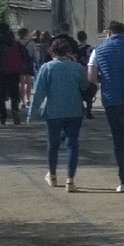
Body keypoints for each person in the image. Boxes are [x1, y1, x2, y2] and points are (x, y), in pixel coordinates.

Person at [88, 22, 124, 192]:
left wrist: (105, 79)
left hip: (113, 99)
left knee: (120, 139)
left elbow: (91, 76)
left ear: (109, 32)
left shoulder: (98, 50)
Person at [29, 34, 89, 191]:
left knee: (53, 144)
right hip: (74, 110)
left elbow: (39, 92)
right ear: (69, 51)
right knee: (72, 145)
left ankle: (53, 176)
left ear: (51, 52)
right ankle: (70, 180)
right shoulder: (77, 67)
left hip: (53, 111)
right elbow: (84, 86)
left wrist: (32, 112)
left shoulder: (47, 68)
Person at [0, 21, 29, 125]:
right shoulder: (15, 43)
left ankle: (2, 117)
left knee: (1, 94)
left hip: (0, 71)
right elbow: (25, 55)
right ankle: (15, 110)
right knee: (14, 92)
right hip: (15, 71)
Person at [75, 31, 96, 118]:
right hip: (88, 70)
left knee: (79, 91)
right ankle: (89, 110)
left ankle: (81, 109)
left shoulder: (77, 49)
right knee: (89, 90)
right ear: (86, 37)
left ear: (78, 38)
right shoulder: (90, 48)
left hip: (79, 71)